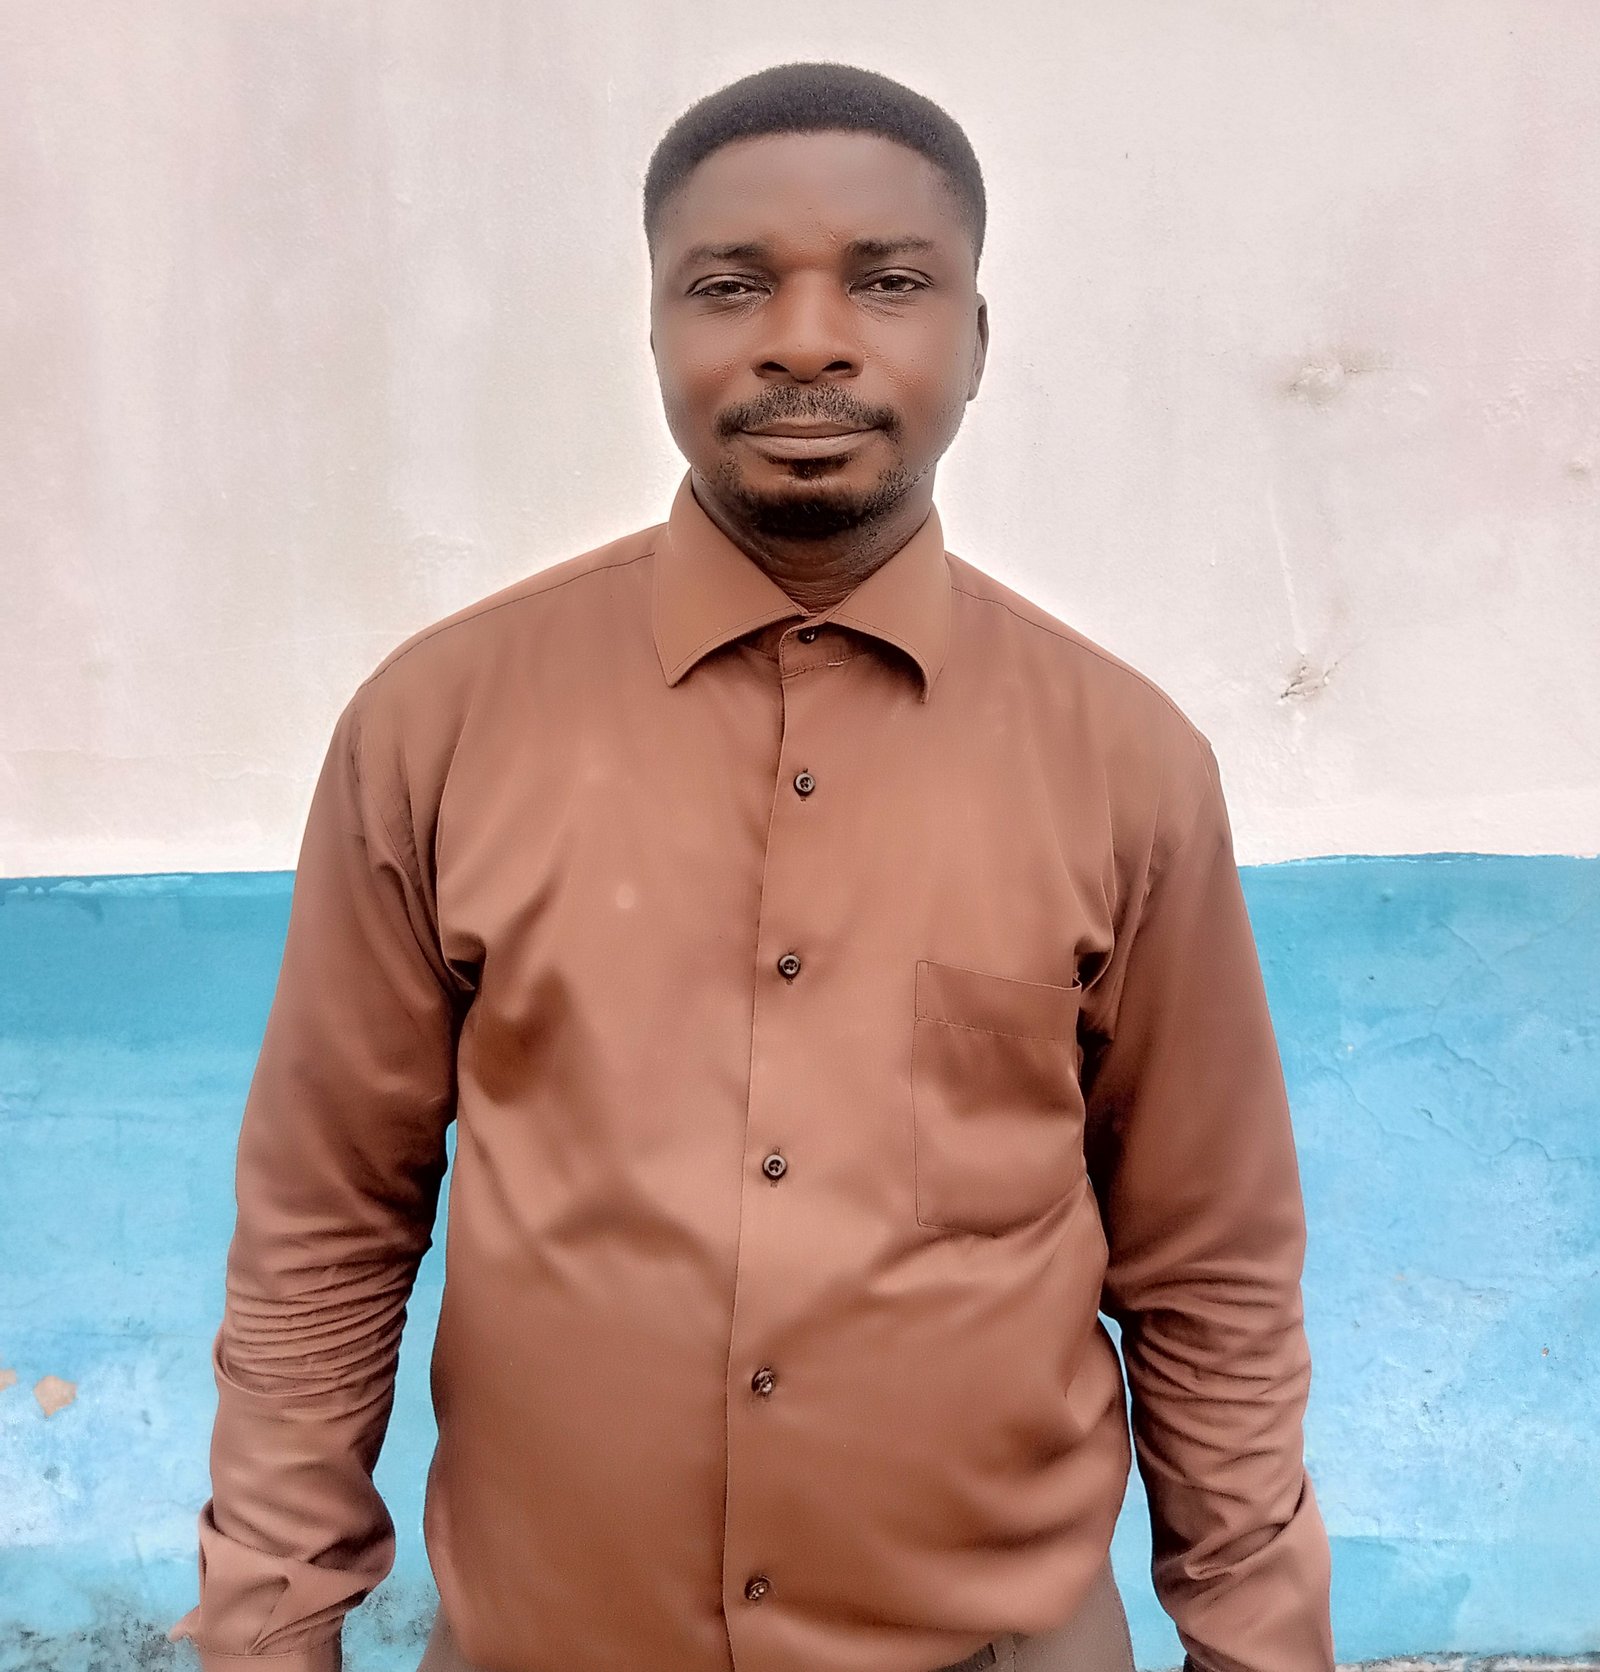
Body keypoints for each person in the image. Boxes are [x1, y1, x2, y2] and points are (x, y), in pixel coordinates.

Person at [170, 61, 1334, 1672]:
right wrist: (266, 1629)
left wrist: (1260, 1644)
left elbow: (1209, 1269)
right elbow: (327, 1220)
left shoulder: (1127, 763)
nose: (805, 338)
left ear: (977, 338)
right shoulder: (439, 725)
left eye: (888, 280)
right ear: (655, 330)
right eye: (730, 285)